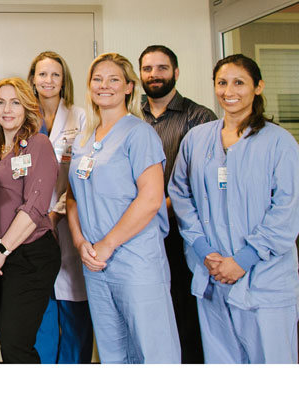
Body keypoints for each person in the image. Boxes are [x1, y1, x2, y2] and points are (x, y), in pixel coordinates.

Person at [170, 54, 299, 363]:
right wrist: (203, 250)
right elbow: (181, 195)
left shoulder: (279, 143)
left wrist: (244, 259)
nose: (230, 91)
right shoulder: (197, 139)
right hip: (211, 275)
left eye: (239, 83)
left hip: (264, 280)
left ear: (258, 87)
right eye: (222, 83)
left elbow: (287, 209)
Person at [66, 52, 180, 364]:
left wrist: (107, 244)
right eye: (97, 79)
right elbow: (72, 196)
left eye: (113, 79)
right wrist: (80, 243)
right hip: (95, 262)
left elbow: (151, 199)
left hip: (135, 260)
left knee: (153, 350)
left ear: (129, 87)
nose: (104, 86)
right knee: (113, 350)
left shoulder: (139, 133)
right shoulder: (84, 138)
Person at [138, 44, 216, 363]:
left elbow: (198, 182)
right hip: (140, 232)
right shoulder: (131, 117)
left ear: (176, 73)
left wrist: (154, 206)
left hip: (180, 232)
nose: (154, 75)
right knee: (153, 312)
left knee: (185, 311)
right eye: (147, 69)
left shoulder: (199, 118)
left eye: (162, 68)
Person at [0, 77, 60, 363]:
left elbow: (35, 207)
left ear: (27, 106)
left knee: (16, 344)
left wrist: (1, 250)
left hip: (28, 254)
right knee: (6, 342)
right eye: (1, 102)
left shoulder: (38, 144)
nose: (7, 109)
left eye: (15, 102)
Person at [28, 51, 93, 364]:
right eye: (42, 74)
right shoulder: (25, 118)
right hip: (30, 220)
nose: (48, 81)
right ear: (33, 79)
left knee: (72, 296)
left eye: (55, 74)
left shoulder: (80, 116)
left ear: (64, 79)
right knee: (40, 300)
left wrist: (56, 213)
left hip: (68, 219)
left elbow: (82, 171)